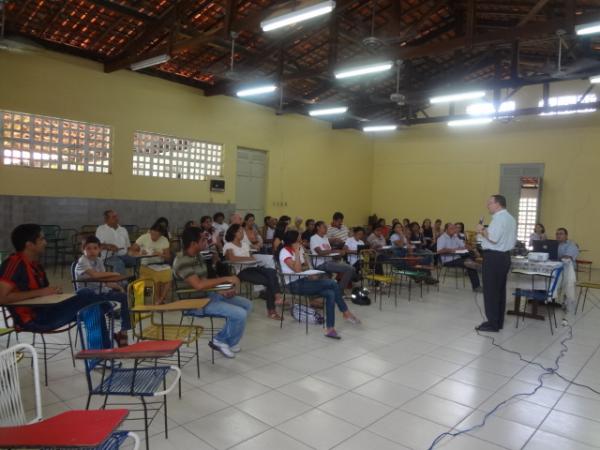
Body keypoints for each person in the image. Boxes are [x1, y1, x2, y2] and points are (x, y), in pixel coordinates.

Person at [0, 224, 130, 342]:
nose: (45, 242)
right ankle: (104, 348)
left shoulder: (36, 265)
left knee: (86, 295)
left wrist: (54, 293)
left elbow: (41, 294)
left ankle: (103, 349)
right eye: (42, 239)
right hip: (33, 319)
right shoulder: (14, 263)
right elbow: (2, 298)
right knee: (92, 302)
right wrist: (42, 292)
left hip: (47, 309)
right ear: (29, 245)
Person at [172, 227, 252, 359]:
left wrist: (222, 289)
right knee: (239, 313)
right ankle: (220, 340)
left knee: (246, 305)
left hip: (207, 294)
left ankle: (229, 341)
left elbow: (204, 280)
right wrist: (226, 278)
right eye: (203, 240)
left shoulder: (197, 255)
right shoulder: (181, 261)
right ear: (193, 243)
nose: (207, 242)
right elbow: (198, 285)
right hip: (194, 303)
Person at [277, 230, 359, 339]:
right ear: (294, 240)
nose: (301, 240)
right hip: (293, 284)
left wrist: (310, 273)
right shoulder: (284, 251)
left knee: (330, 293)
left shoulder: (300, 249)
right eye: (299, 238)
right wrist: (297, 253)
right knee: (332, 284)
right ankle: (345, 312)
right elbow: (297, 269)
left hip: (305, 280)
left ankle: (330, 329)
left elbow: (305, 267)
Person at [74, 235, 132, 345]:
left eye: (95, 248)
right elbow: (95, 275)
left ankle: (123, 332)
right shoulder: (82, 261)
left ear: (100, 249)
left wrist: (119, 287)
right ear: (83, 250)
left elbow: (105, 282)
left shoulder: (99, 261)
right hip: (89, 296)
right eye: (88, 248)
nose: (92, 251)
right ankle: (115, 336)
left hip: (102, 292)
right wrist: (113, 273)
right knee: (113, 301)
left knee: (126, 297)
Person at [223, 224, 282, 320]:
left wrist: (251, 259)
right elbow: (232, 258)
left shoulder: (245, 244)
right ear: (234, 233)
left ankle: (277, 296)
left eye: (243, 231)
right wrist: (248, 258)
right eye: (240, 232)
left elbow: (252, 257)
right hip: (241, 271)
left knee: (271, 271)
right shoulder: (228, 245)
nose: (242, 233)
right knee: (269, 281)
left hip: (253, 267)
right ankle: (272, 309)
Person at [476, 195, 517, 332]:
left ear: (498, 204)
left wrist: (481, 230)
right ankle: (498, 321)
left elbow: (493, 238)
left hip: (494, 258)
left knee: (491, 291)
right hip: (504, 257)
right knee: (499, 290)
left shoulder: (499, 219)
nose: (488, 206)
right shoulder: (510, 218)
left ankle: (492, 323)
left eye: (490, 203)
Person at [130, 224, 172, 304]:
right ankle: (156, 300)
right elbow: (131, 251)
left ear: (160, 235)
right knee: (155, 278)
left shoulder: (164, 240)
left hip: (159, 264)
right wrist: (140, 253)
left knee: (169, 274)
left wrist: (160, 254)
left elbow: (168, 257)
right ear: (150, 232)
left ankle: (161, 299)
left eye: (156, 235)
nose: (154, 237)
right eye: (152, 234)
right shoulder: (144, 237)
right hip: (146, 264)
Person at [310, 221, 355, 292]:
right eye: (324, 227)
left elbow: (330, 253)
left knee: (351, 268)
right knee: (349, 269)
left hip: (330, 262)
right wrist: (335, 251)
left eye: (326, 227)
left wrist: (339, 253)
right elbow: (320, 252)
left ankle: (339, 289)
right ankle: (339, 290)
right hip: (321, 264)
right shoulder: (314, 238)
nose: (326, 229)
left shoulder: (325, 238)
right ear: (318, 228)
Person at [437, 223, 482, 292]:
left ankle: (477, 286)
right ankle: (480, 269)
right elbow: (439, 251)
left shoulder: (455, 237)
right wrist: (455, 250)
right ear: (446, 230)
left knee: (470, 259)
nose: (454, 230)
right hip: (448, 260)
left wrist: (472, 248)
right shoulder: (442, 238)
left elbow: (463, 246)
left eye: (454, 228)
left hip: (457, 257)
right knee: (470, 264)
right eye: (451, 228)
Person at [95, 209, 136, 275]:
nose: (117, 218)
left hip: (124, 255)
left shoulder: (123, 229)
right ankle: (122, 283)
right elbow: (97, 245)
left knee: (138, 260)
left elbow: (128, 246)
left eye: (116, 216)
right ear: (106, 219)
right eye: (114, 217)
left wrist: (133, 252)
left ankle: (136, 281)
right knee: (119, 263)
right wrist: (109, 246)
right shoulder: (101, 229)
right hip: (108, 257)